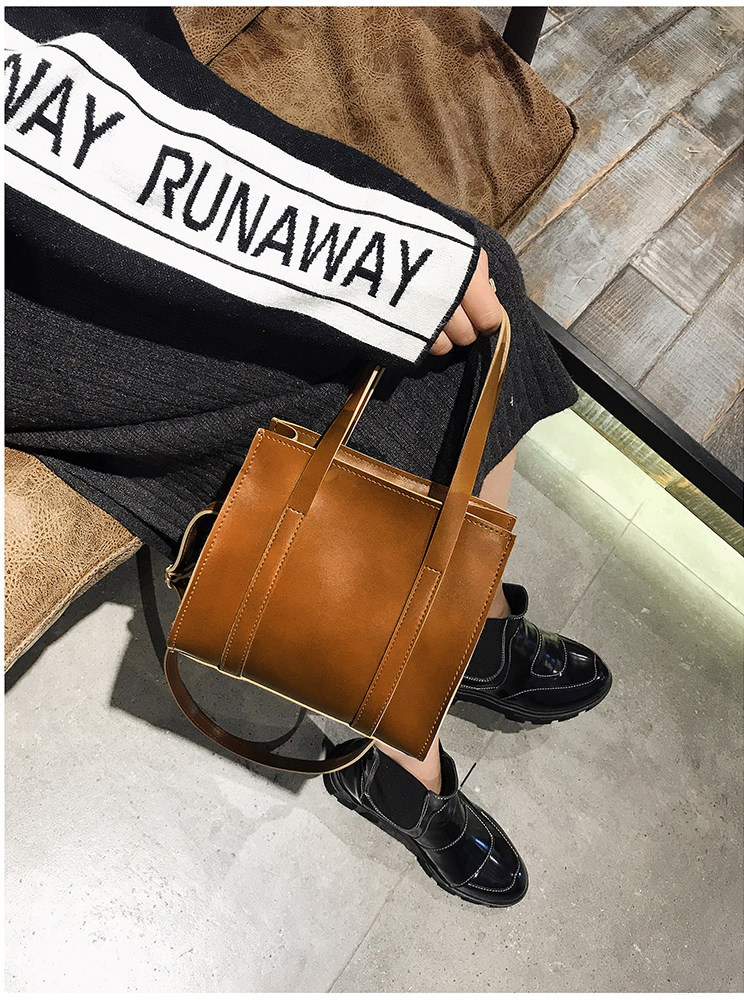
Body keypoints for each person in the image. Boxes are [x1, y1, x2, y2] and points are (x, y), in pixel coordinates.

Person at [5, 6, 611, 908]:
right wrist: (380, 257)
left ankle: (462, 634)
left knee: (471, 311)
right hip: (45, 259)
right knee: (431, 347)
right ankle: (403, 750)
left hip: (110, 118)